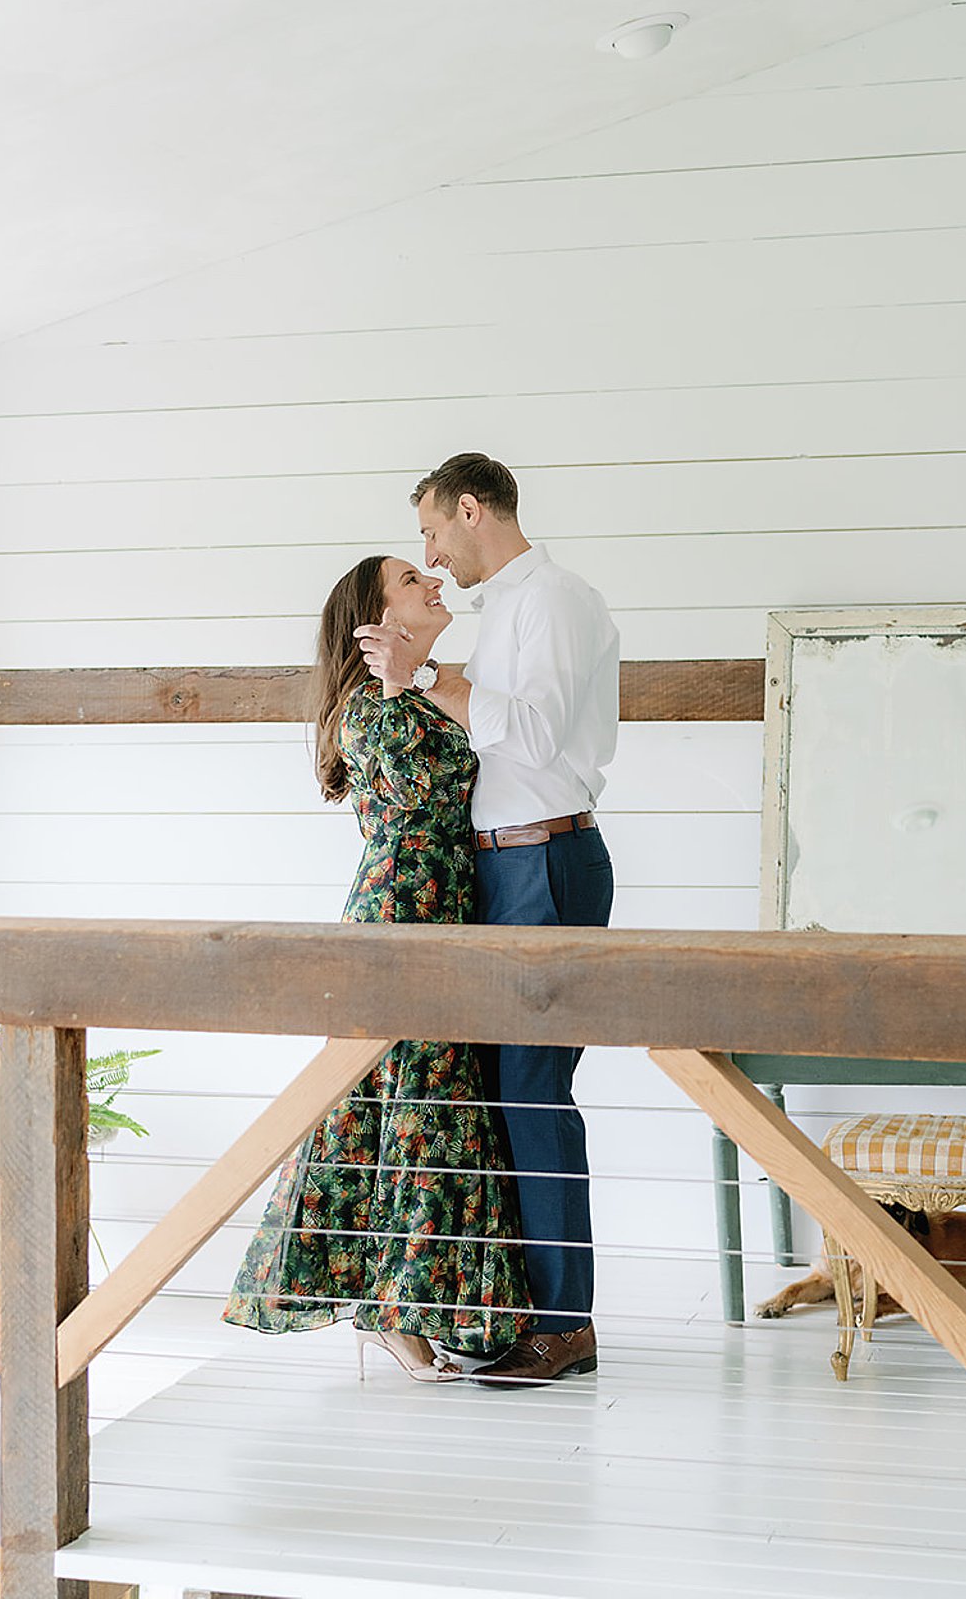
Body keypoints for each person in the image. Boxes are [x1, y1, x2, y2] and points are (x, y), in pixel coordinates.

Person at [223, 552, 531, 1382]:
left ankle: (409, 1306)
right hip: (401, 915)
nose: (434, 583)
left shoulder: (425, 691)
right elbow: (424, 787)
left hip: (446, 913)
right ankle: (392, 1314)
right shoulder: (370, 706)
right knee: (409, 1103)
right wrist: (402, 684)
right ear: (376, 619)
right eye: (410, 581)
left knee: (423, 1104)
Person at [356, 453, 618, 1386]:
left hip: (543, 859)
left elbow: (536, 738)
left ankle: (565, 1327)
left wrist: (427, 675)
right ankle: (514, 1313)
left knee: (534, 1096)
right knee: (502, 1098)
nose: (431, 554)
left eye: (432, 532)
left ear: (471, 511)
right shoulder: (505, 611)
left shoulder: (553, 601)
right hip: (503, 866)